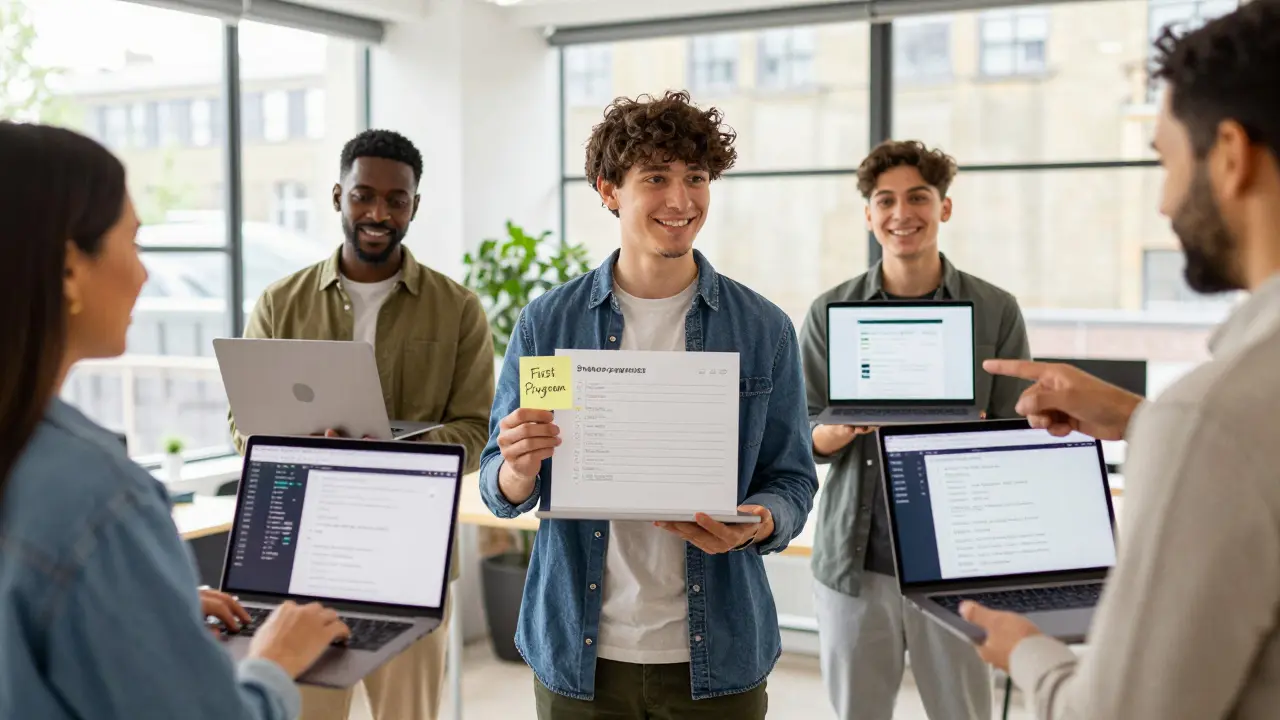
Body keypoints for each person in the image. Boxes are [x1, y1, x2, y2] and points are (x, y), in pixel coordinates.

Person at [961, 4, 1280, 718]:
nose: (1164, 200)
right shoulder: (1218, 419)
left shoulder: (1213, 418)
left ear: (1231, 156)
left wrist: (1026, 650)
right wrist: (1143, 419)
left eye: (1166, 160)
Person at [478, 90, 818, 719]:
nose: (681, 200)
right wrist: (518, 469)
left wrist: (759, 522)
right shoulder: (550, 325)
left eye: (696, 178)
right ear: (610, 191)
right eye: (656, 178)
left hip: (719, 654)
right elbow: (500, 481)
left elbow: (793, 479)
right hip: (578, 653)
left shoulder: (761, 329)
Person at [0, 121, 349, 719]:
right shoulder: (101, 501)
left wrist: (144, 605)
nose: (144, 274)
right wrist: (274, 659)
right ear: (68, 269)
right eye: (133, 242)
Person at [228, 128, 494, 720]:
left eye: (396, 200)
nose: (378, 213)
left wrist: (390, 451)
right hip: (302, 556)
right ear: (337, 197)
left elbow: (477, 430)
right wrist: (304, 447)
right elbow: (243, 427)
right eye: (363, 196)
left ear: (414, 206)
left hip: (412, 557)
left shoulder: (458, 308)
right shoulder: (280, 302)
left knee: (408, 714)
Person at [798, 139, 1030, 720]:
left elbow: (1017, 436)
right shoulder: (829, 310)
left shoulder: (996, 308)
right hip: (855, 563)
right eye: (886, 200)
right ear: (869, 215)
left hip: (957, 566)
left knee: (963, 712)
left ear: (944, 207)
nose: (902, 213)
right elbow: (801, 434)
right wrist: (842, 429)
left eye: (918, 197)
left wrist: (972, 438)